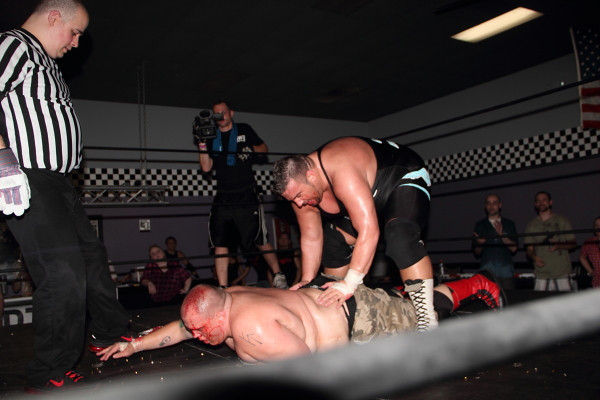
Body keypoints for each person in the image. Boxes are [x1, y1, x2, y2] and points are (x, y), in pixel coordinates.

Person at [0, 1, 132, 391]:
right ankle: (47, 373)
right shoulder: (14, 45)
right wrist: (3, 162)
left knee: (92, 261)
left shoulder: (46, 63)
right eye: (75, 33)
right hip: (29, 176)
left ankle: (108, 333)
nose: (76, 44)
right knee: (61, 273)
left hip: (60, 184)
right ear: (54, 17)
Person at [97, 271, 504, 364]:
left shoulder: (252, 328)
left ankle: (478, 282)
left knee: (421, 313)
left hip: (359, 319)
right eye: (197, 331)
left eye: (204, 330)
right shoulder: (225, 300)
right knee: (399, 303)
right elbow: (182, 328)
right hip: (336, 304)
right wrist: (134, 345)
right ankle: (392, 294)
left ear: (220, 315)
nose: (199, 337)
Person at [272, 137, 437, 331]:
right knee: (333, 239)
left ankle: (427, 320)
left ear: (311, 175)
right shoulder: (300, 192)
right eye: (292, 199)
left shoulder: (342, 169)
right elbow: (311, 237)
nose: (298, 204)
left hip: (401, 176)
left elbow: (369, 231)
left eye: (299, 196)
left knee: (400, 237)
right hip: (367, 197)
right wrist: (307, 280)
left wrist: (350, 283)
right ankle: (347, 310)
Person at [197, 100, 287, 289]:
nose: (221, 116)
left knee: (259, 238)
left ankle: (278, 274)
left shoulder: (244, 129)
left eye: (223, 112)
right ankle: (222, 287)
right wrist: (202, 144)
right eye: (216, 113)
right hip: (224, 195)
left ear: (231, 113)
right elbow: (206, 167)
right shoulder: (211, 136)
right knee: (220, 242)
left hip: (246, 193)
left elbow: (264, 150)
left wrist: (248, 149)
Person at [524, 191, 577, 291]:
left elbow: (573, 243)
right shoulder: (531, 225)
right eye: (538, 201)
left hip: (562, 272)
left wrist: (559, 246)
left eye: (544, 200)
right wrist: (534, 257)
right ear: (535, 204)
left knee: (566, 301)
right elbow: (529, 249)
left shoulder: (562, 220)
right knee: (541, 301)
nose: (541, 203)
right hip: (542, 273)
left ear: (550, 202)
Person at [472, 194, 518, 290]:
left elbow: (514, 249)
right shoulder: (480, 225)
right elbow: (477, 252)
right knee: (487, 299)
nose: (491, 205)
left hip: (506, 272)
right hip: (486, 272)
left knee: (508, 298)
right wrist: (480, 243)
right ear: (485, 206)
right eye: (488, 203)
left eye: (494, 202)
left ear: (500, 205)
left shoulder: (509, 224)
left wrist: (502, 236)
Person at [579, 216, 600, 288]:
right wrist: (590, 271)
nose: (598, 227)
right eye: (596, 225)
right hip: (597, 281)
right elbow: (582, 257)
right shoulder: (589, 242)